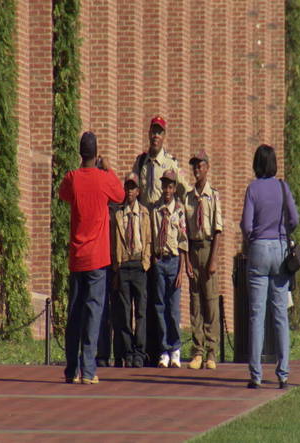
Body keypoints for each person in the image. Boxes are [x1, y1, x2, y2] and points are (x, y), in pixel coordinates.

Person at [60, 131, 125, 384]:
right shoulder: (103, 178)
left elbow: (63, 194)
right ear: (97, 154)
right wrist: (108, 169)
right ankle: (88, 371)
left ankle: (70, 369)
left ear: (80, 153)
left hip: (77, 257)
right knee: (93, 312)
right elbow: (120, 195)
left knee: (74, 313)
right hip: (97, 258)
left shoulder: (72, 178)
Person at [132, 115, 190, 366]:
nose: (155, 135)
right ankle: (155, 350)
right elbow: (134, 187)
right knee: (153, 299)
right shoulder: (142, 162)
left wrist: (178, 212)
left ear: (164, 136)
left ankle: (169, 349)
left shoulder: (170, 163)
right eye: (152, 131)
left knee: (170, 303)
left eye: (159, 132)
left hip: (169, 237)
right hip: (148, 233)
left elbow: (185, 189)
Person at [241, 144, 299, 389]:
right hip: (280, 248)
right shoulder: (283, 187)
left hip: (259, 250)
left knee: (256, 314)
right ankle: (283, 373)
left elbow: (245, 224)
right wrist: (284, 233)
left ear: (256, 164)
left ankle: (255, 374)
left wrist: (253, 236)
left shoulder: (253, 189)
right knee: (280, 315)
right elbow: (295, 219)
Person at [183, 150, 223, 370]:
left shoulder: (213, 195)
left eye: (200, 166)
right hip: (193, 248)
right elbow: (186, 230)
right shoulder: (188, 197)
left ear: (207, 167)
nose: (196, 170)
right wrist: (188, 259)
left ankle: (211, 351)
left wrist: (214, 259)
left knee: (210, 302)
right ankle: (197, 351)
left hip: (208, 248)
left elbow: (218, 229)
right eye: (194, 167)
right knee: (195, 302)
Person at [113, 172, 152, 368]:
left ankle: (139, 352)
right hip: (124, 265)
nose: (129, 191)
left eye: (133, 188)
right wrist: (117, 266)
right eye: (127, 187)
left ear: (138, 191)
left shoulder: (144, 213)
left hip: (139, 265)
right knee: (125, 311)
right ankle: (128, 352)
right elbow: (115, 243)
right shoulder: (119, 214)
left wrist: (146, 262)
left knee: (141, 312)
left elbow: (148, 240)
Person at [151, 169, 188, 368]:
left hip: (174, 261)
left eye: (170, 186)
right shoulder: (156, 210)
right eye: (164, 185)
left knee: (173, 309)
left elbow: (183, 242)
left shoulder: (179, 210)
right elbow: (152, 235)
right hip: (160, 260)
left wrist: (181, 270)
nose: (167, 190)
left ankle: (175, 348)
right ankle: (164, 350)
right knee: (160, 307)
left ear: (175, 189)